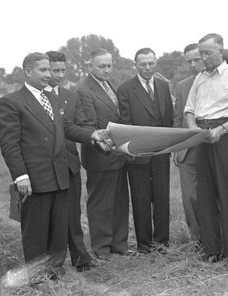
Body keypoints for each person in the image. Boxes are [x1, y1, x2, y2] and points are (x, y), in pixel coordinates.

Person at [0, 52, 109, 282]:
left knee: (59, 229)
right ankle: (37, 279)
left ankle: (54, 273)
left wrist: (92, 135)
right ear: (28, 72)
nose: (48, 75)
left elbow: (66, 128)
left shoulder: (51, 98)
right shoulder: (12, 101)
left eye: (50, 70)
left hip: (60, 176)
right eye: (43, 70)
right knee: (36, 231)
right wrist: (21, 177)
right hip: (35, 179)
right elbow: (10, 145)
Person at [184, 33, 228, 262]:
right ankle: (212, 249)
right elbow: (189, 110)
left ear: (221, 49)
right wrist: (194, 130)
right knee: (205, 195)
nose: (204, 57)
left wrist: (220, 130)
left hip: (226, 135)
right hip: (202, 136)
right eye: (201, 53)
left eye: (208, 52)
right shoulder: (199, 79)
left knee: (227, 192)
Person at [117, 48, 174, 254]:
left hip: (161, 153)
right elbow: (125, 123)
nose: (147, 68)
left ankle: (162, 243)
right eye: (143, 64)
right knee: (141, 198)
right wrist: (136, 150)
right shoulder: (125, 89)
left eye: (151, 63)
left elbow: (168, 118)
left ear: (155, 62)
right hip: (138, 155)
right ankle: (144, 245)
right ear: (136, 65)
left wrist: (168, 147)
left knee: (162, 198)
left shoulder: (163, 86)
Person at [45, 51, 96, 271]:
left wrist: (93, 135)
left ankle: (81, 259)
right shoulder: (38, 97)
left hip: (70, 164)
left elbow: (81, 125)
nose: (59, 75)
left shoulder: (70, 95)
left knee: (73, 215)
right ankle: (53, 263)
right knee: (52, 217)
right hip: (48, 166)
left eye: (62, 70)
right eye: (54, 70)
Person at [77, 48, 129, 259]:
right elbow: (88, 125)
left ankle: (119, 246)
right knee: (101, 204)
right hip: (100, 156)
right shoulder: (84, 89)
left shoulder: (108, 84)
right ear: (90, 66)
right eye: (102, 66)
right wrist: (109, 143)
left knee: (119, 202)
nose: (107, 70)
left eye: (109, 65)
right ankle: (102, 249)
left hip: (118, 155)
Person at [173, 43, 204, 243]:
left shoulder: (223, 80)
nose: (193, 64)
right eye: (189, 61)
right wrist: (176, 147)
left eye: (197, 59)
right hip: (187, 149)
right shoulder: (182, 86)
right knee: (190, 197)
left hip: (212, 146)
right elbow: (178, 119)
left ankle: (216, 237)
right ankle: (197, 239)